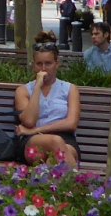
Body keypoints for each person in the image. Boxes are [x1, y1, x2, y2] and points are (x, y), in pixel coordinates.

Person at [16, 40, 81, 168]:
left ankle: (42, 185)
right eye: (39, 64)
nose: (43, 69)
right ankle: (77, 185)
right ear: (33, 66)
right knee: (55, 143)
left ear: (57, 64)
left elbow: (71, 123)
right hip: (34, 141)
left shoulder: (70, 89)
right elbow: (29, 122)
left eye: (48, 63)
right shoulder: (23, 90)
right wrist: (37, 87)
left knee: (55, 159)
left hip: (65, 139)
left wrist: (37, 129)